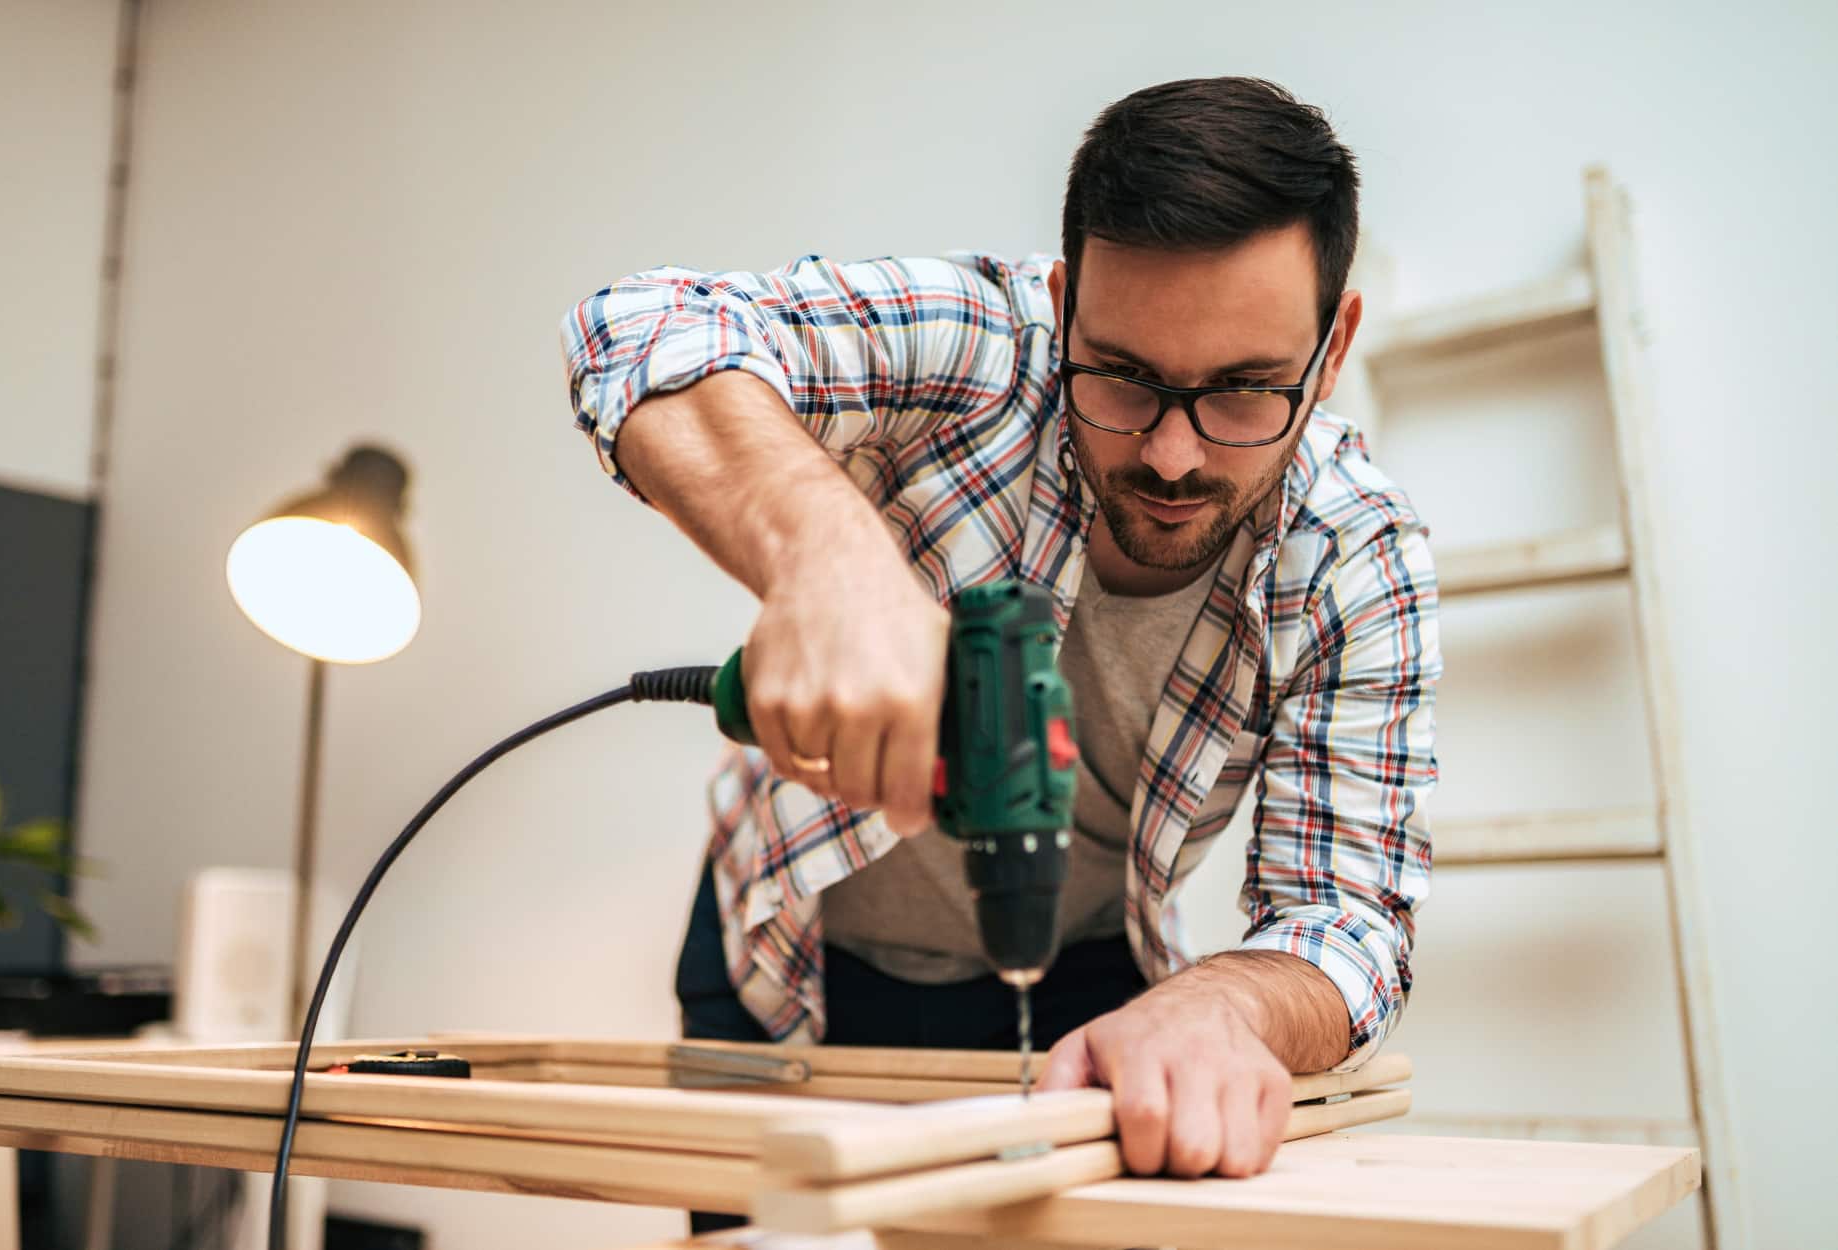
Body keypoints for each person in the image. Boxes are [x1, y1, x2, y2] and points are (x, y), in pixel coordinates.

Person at [558, 76, 1440, 1207]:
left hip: (1087, 984)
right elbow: (636, 326)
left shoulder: (1355, 554)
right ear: (1065, 302)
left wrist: (1220, 1003)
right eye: (1121, 374)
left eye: (1244, 390)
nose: (1172, 455)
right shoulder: (983, 341)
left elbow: (1349, 913)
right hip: (782, 953)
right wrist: (829, 564)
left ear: (1333, 344)